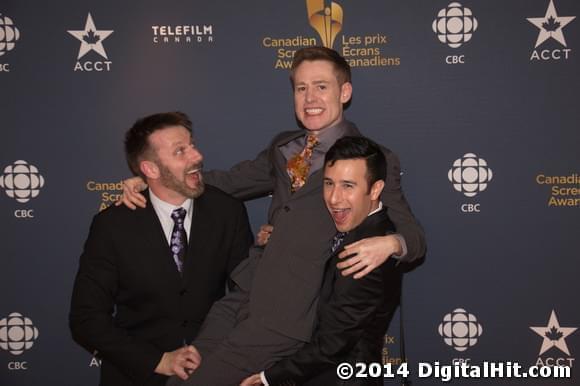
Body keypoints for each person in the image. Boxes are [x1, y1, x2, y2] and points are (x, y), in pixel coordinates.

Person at [123, 47, 425, 385]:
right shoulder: (284, 147)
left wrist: (390, 243)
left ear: (345, 92)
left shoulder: (374, 157)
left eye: (321, 86)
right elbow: (229, 182)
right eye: (301, 88)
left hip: (288, 315)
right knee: (182, 375)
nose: (310, 97)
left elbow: (414, 238)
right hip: (243, 294)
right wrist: (157, 178)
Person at [69, 112, 253, 386]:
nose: (196, 156)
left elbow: (247, 297)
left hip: (212, 372)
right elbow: (86, 319)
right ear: (150, 169)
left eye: (192, 145)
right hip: (135, 376)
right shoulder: (112, 226)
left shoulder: (228, 212)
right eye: (181, 151)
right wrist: (157, 361)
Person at [242, 136, 403, 386]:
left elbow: (333, 345)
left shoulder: (365, 254)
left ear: (376, 189)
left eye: (348, 186)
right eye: (329, 183)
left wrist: (268, 378)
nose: (334, 198)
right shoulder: (361, 225)